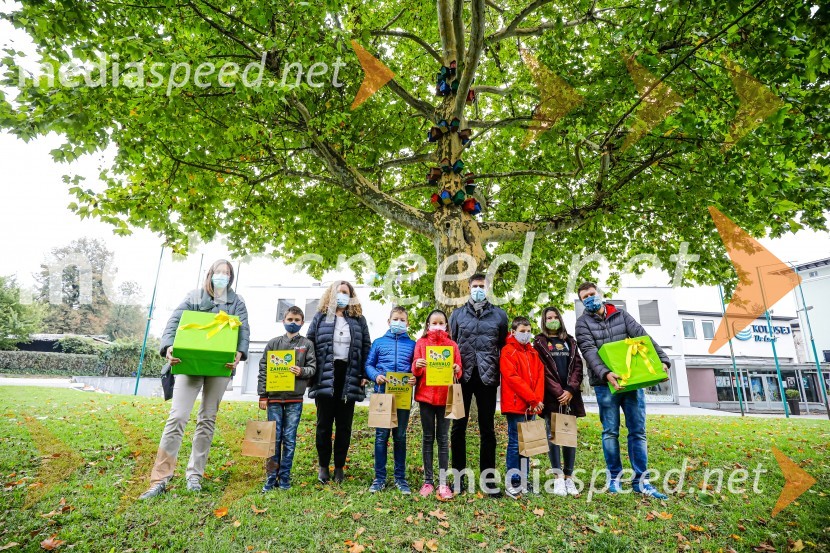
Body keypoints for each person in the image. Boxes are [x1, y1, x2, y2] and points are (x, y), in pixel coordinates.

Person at [139, 259, 250, 499]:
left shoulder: (237, 301)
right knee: (177, 417)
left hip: (219, 366)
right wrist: (168, 346)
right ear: (210, 274)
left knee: (207, 419)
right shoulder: (195, 296)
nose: (222, 276)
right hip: (188, 365)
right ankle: (160, 478)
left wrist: (240, 353)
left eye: (226, 273)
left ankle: (194, 476)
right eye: (218, 272)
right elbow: (174, 322)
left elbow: (243, 330)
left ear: (231, 277)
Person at [574, 281, 670, 499]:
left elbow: (642, 337)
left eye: (591, 294)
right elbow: (589, 351)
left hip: (632, 381)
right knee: (610, 431)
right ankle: (614, 478)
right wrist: (606, 373)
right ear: (582, 302)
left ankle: (641, 481)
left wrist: (662, 359)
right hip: (605, 384)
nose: (589, 298)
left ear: (599, 294)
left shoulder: (621, 315)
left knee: (638, 431)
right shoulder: (582, 324)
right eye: (584, 298)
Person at [448, 273, 508, 496]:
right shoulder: (457, 314)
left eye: (482, 286)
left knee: (487, 429)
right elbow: (451, 342)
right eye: (475, 286)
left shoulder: (500, 316)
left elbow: (501, 343)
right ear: (468, 288)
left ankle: (488, 481)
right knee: (458, 429)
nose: (478, 289)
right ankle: (457, 479)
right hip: (462, 377)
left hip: (488, 378)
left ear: (488, 287)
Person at [307, 281, 370, 484]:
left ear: (351, 296)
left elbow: (366, 347)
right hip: (326, 374)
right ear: (331, 294)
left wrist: (364, 374)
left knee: (344, 425)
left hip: (349, 374)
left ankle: (340, 467)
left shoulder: (359, 320)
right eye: (338, 292)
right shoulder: (320, 317)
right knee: (324, 424)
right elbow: (309, 344)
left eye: (346, 292)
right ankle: (323, 466)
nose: (342, 295)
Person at [257, 306, 317, 491]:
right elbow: (263, 369)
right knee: (273, 439)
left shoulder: (307, 344)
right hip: (274, 399)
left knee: (289, 439)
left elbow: (313, 368)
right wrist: (262, 395)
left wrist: (302, 371)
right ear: (284, 321)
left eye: (297, 320)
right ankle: (270, 477)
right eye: (290, 319)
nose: (293, 323)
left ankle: (285, 478)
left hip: (294, 399)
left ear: (302, 323)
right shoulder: (273, 343)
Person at [533, 306, 585, 497]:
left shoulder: (570, 341)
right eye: (548, 318)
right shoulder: (539, 342)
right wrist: (558, 392)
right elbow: (542, 370)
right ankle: (558, 478)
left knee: (569, 436)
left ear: (560, 319)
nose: (552, 320)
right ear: (544, 321)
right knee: (553, 436)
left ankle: (569, 478)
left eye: (555, 317)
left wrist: (570, 389)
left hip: (570, 397)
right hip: (552, 397)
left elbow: (578, 366)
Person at [411, 310, 462, 500]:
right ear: (428, 324)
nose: (438, 325)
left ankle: (442, 482)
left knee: (442, 439)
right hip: (425, 398)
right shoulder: (421, 343)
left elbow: (459, 369)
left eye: (441, 322)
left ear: (446, 325)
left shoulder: (452, 345)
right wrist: (417, 365)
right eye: (434, 322)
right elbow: (414, 371)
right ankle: (428, 481)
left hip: (445, 398)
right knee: (427, 438)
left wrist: (457, 369)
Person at [365, 306, 417, 494]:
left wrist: (414, 377)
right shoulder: (378, 343)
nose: (399, 322)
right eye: (396, 319)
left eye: (402, 320)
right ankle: (379, 478)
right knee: (381, 437)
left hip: (403, 397)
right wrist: (376, 375)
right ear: (389, 321)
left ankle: (400, 478)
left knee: (400, 437)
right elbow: (369, 365)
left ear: (407, 323)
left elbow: (417, 368)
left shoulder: (413, 344)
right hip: (382, 395)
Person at [499, 316, 545, 499]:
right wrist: (532, 399)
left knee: (528, 444)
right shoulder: (507, 351)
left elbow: (540, 376)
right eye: (522, 331)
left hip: (532, 405)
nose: (525, 334)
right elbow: (512, 378)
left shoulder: (533, 353)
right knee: (515, 443)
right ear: (513, 331)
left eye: (528, 331)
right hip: (516, 404)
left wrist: (537, 400)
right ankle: (513, 481)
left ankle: (524, 480)